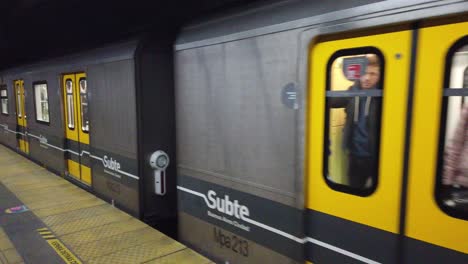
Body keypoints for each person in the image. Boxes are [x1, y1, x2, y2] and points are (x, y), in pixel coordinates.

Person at [329, 54, 382, 189]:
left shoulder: (383, 96)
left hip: (377, 158)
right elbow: (332, 100)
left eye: (372, 74)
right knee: (355, 191)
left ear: (380, 75)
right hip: (355, 155)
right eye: (364, 73)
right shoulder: (352, 92)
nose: (367, 78)